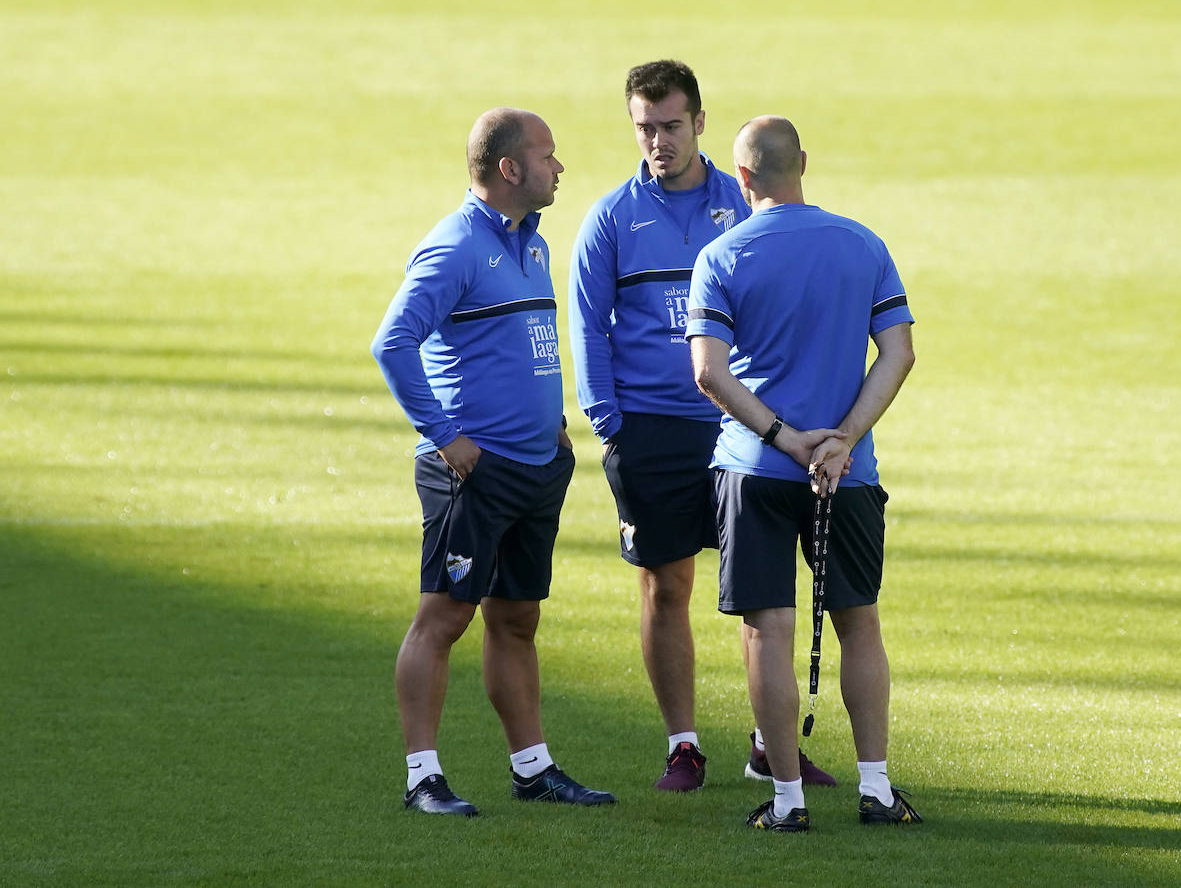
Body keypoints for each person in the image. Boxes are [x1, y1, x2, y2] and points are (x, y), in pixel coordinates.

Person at [568, 60, 835, 791]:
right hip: (650, 426)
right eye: (645, 129)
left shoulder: (745, 200)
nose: (658, 141)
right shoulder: (611, 218)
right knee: (667, 586)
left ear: (700, 123)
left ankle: (767, 746)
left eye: (671, 126)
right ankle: (683, 746)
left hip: (741, 425)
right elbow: (587, 324)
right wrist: (609, 422)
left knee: (763, 593)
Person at [371, 107, 614, 817]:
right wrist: (445, 434)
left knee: (517, 619)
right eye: (547, 155)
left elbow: (521, 348)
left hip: (535, 467)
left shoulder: (530, 243)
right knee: (443, 620)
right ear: (510, 169)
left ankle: (532, 769)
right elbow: (393, 343)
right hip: (472, 472)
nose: (559, 166)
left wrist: (555, 426)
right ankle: (422, 778)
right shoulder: (453, 248)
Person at [686, 116, 922, 831]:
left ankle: (787, 800)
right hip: (846, 473)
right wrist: (842, 439)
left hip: (755, 468)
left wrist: (787, 439)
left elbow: (707, 372)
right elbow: (899, 354)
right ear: (804, 165)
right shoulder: (863, 245)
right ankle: (875, 790)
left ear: (744, 178)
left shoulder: (722, 255)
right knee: (859, 624)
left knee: (768, 630)